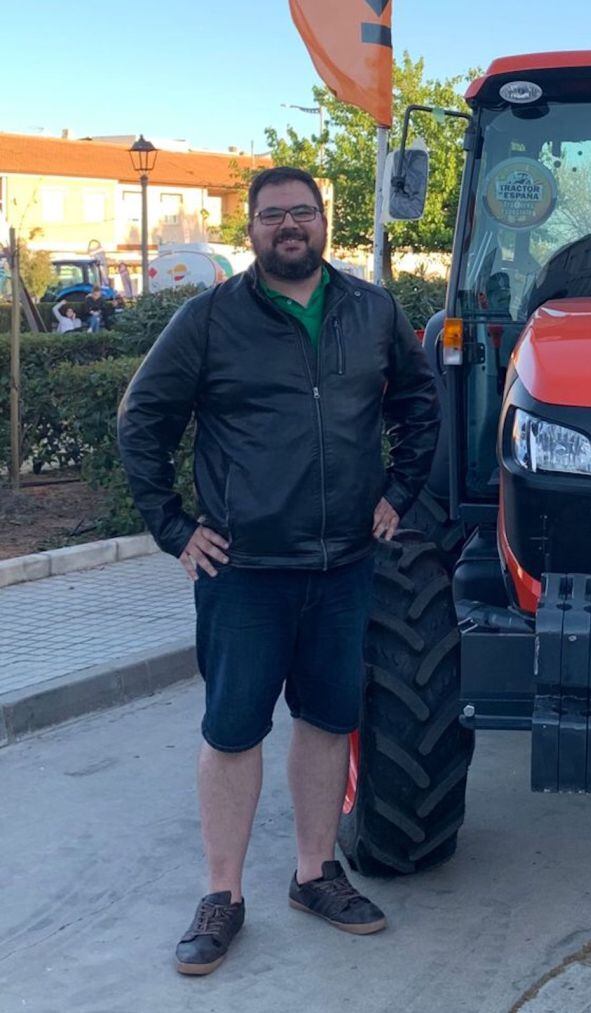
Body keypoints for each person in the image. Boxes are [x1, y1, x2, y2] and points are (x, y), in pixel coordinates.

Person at [117, 166, 439, 976]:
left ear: (325, 222)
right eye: (272, 216)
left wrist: (398, 492)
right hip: (246, 572)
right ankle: (222, 895)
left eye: (302, 212)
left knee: (330, 721)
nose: (288, 226)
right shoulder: (210, 318)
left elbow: (419, 405)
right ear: (253, 228)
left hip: (343, 568)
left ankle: (314, 874)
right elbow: (141, 419)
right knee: (232, 731)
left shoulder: (372, 311)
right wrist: (174, 528)